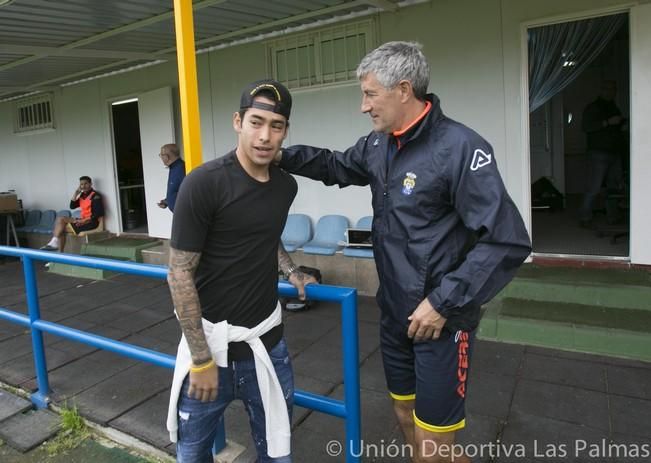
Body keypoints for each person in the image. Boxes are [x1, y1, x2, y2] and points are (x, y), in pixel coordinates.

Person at [276, 42, 531, 462]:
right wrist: (281, 155)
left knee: (435, 448)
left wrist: (442, 303)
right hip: (394, 313)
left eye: (370, 94)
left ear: (404, 89)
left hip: (440, 321)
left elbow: (506, 240)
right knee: (403, 412)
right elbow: (337, 165)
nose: (363, 106)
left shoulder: (460, 148)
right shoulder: (379, 146)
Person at [165, 79, 317, 463]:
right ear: (238, 121)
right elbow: (179, 272)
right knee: (192, 455)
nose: (265, 136)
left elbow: (267, 233)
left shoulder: (286, 186)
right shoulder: (203, 183)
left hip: (268, 346)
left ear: (286, 131)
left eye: (276, 126)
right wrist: (200, 360)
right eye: (256, 122)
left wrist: (291, 270)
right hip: (210, 350)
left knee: (277, 456)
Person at [579, 80, 626, 227]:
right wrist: (607, 122)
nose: (611, 91)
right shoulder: (593, 108)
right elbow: (586, 127)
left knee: (613, 188)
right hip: (598, 153)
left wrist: (622, 125)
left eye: (614, 89)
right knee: (594, 187)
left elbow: (615, 129)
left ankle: (613, 217)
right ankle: (585, 218)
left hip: (614, 153)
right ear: (602, 90)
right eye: (608, 89)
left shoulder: (614, 107)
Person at [40, 176, 104, 252]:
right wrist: (76, 193)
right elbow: (72, 206)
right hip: (82, 221)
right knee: (61, 219)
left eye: (86, 184)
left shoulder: (95, 196)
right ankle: (55, 243)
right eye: (81, 184)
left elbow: (98, 213)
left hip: (91, 222)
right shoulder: (82, 195)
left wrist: (84, 221)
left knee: (61, 228)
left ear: (90, 184)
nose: (83, 186)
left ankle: (58, 249)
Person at [158, 143, 186, 213]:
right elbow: (177, 190)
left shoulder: (181, 169)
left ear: (166, 157)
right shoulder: (174, 168)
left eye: (161, 155)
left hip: (185, 214)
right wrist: (167, 201)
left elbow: (187, 192)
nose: (160, 157)